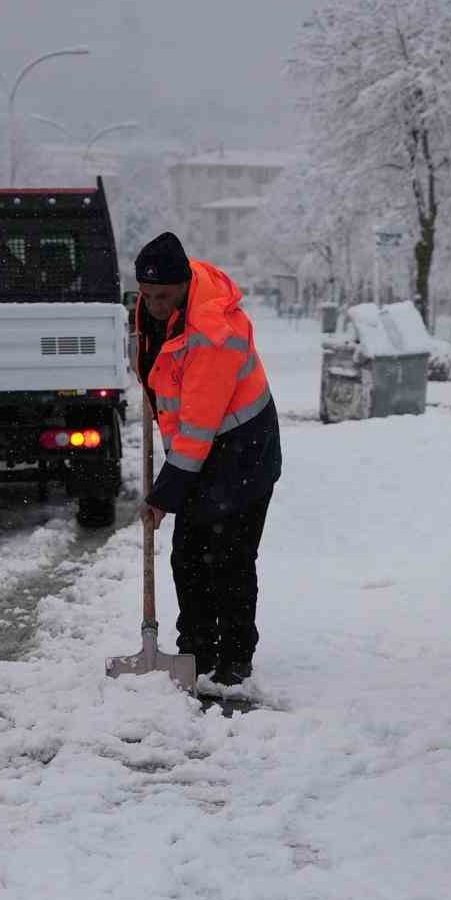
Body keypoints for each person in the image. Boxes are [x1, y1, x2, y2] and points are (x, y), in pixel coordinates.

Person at [134, 232, 281, 687]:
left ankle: (235, 657)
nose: (153, 304)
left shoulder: (215, 333)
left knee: (230, 556)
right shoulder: (163, 303)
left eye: (162, 296)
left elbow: (198, 425)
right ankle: (197, 651)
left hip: (244, 448)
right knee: (189, 555)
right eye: (146, 295)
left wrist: (163, 495)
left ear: (183, 285)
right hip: (203, 444)